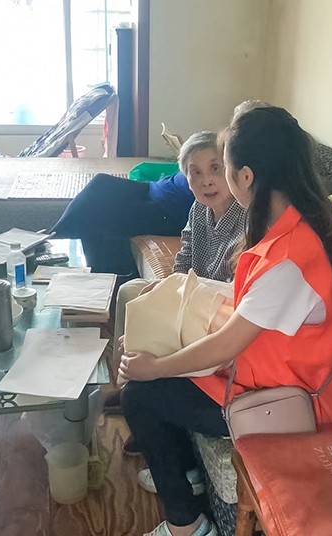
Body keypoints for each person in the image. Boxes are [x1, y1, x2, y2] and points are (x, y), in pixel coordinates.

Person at [119, 106, 332, 536]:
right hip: (269, 376)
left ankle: (187, 525)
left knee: (140, 393)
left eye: (223, 166)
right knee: (154, 358)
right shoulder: (299, 223)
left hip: (290, 405)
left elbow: (227, 343)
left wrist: (155, 366)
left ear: (245, 176)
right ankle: (186, 474)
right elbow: (244, 308)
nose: (218, 177)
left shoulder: (290, 257)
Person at [106, 131, 247, 454]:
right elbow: (184, 257)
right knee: (132, 292)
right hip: (191, 295)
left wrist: (175, 297)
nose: (206, 180)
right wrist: (166, 287)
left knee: (151, 324)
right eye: (194, 173)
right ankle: (127, 381)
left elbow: (234, 287)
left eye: (214, 168)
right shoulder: (198, 210)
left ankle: (141, 402)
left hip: (216, 308)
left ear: (230, 170)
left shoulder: (246, 217)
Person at [50, 169, 194, 277]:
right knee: (101, 183)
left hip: (169, 211)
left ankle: (52, 240)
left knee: (96, 208)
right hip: (155, 189)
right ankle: (52, 240)